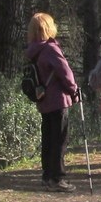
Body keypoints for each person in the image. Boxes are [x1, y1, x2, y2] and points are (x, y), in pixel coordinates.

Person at [24, 12, 80, 192]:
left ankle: (47, 175)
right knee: (59, 140)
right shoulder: (50, 49)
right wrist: (74, 91)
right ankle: (57, 178)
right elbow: (66, 73)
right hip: (57, 99)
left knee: (48, 138)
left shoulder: (33, 49)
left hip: (43, 100)